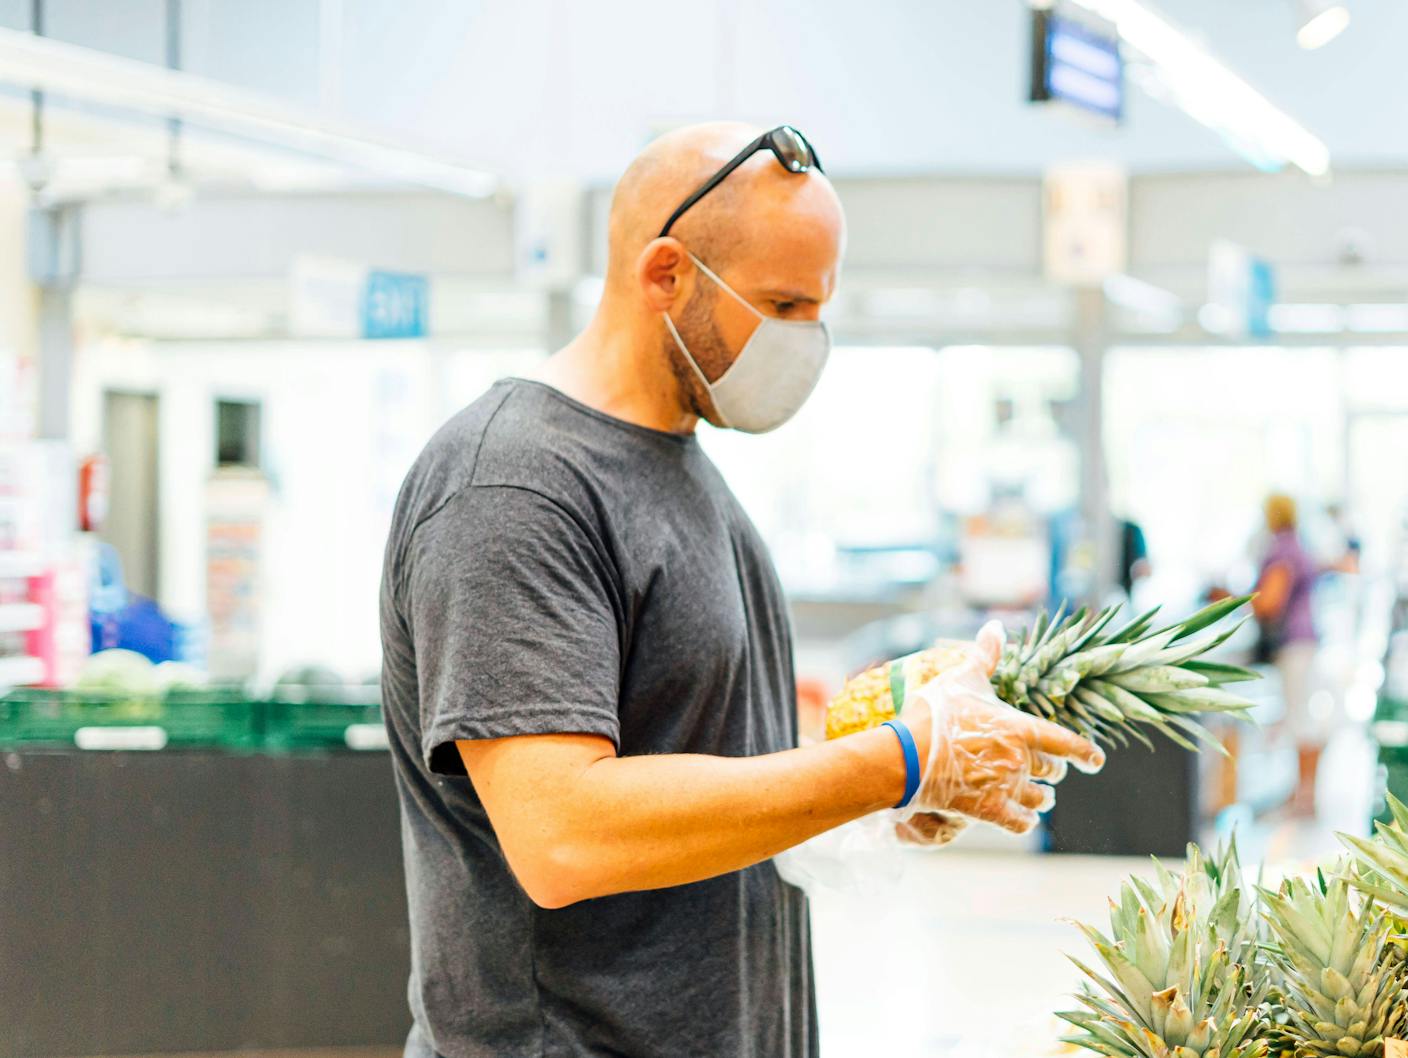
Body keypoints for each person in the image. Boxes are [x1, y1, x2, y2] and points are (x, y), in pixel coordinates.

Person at [377, 123, 1103, 1058]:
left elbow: (696, 760)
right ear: (666, 274)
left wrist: (866, 795)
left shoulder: (685, 468)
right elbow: (563, 837)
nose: (805, 339)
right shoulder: (513, 485)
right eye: (782, 303)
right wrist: (896, 760)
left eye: (819, 308)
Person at [1252, 492, 1321, 816]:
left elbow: (1270, 601)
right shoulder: (1298, 544)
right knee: (1300, 714)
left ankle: (1303, 797)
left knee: (1298, 716)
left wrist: (1234, 600)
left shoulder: (1281, 550)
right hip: (1304, 639)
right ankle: (1302, 793)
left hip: (1293, 643)